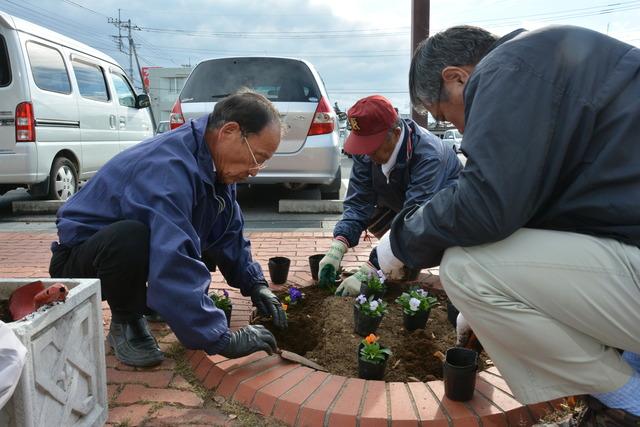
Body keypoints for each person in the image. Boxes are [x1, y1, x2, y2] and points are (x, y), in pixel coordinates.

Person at [374, 25, 640, 425]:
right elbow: (539, 210)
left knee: (466, 269)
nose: (462, 131)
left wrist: (401, 241)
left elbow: (485, 204)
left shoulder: (508, 67)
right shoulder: (548, 65)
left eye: (447, 115)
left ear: (457, 77)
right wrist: (486, 312)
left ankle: (627, 404)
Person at [49, 91, 287, 367]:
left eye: (263, 161)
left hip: (119, 254)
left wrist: (255, 284)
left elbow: (228, 233)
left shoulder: (211, 164)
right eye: (256, 157)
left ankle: (151, 303)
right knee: (132, 239)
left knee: (202, 237)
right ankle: (126, 320)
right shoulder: (169, 170)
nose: (256, 170)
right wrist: (220, 338)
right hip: (82, 264)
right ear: (229, 131)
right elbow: (174, 256)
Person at [318, 95, 462, 295]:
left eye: (371, 146)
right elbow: (359, 201)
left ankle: (405, 259)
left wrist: (371, 267)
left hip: (442, 217)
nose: (366, 153)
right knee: (372, 215)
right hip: (401, 203)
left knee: (416, 233)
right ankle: (401, 261)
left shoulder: (429, 156)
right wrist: (339, 244)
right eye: (362, 145)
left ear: (395, 133)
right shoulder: (366, 151)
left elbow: (415, 220)